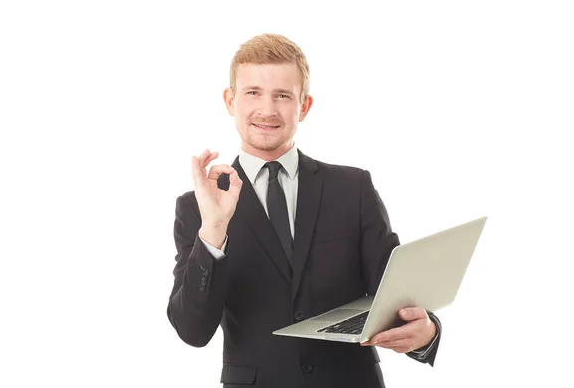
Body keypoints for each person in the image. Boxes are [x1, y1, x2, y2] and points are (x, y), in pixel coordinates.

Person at [167, 33, 441, 388]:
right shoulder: (197, 207)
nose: (267, 110)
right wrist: (214, 231)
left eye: (282, 95)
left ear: (304, 106)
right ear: (230, 100)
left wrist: (427, 330)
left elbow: (395, 293)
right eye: (253, 93)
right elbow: (192, 329)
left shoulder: (352, 188)